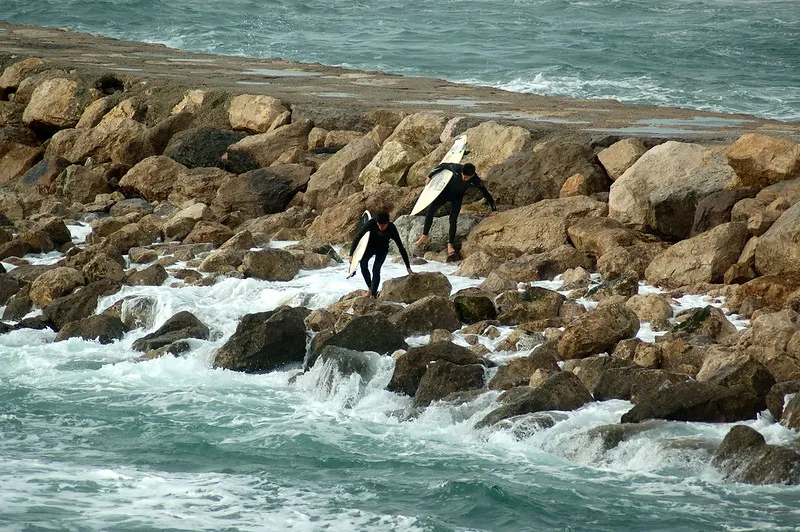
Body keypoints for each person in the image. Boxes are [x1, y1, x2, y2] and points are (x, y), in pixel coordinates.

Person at [413, 162, 496, 257]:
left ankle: (450, 244)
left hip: (457, 198)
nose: (463, 178)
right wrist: (430, 176)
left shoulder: (476, 181)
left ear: (472, 175)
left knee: (453, 220)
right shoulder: (456, 168)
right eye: (463, 176)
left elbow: (487, 194)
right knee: (430, 211)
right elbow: (442, 165)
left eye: (466, 178)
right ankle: (424, 236)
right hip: (444, 193)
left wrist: (494, 209)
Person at [349, 211, 413, 298]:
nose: (380, 227)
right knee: (363, 265)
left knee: (376, 269)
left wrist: (408, 267)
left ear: (388, 222)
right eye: (379, 225)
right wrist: (351, 254)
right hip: (369, 247)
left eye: (383, 225)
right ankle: (370, 288)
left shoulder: (391, 228)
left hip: (382, 250)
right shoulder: (371, 223)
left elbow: (401, 247)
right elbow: (358, 237)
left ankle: (373, 295)